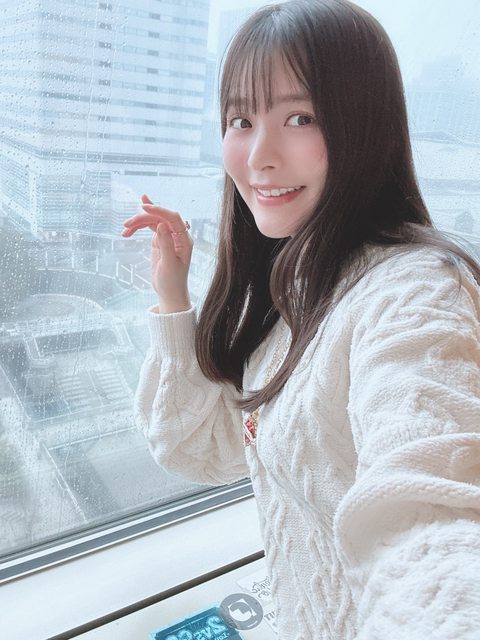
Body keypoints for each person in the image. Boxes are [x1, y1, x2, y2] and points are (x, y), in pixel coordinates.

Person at [122, 1, 480, 637]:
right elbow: (201, 449)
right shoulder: (296, 284)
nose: (258, 157)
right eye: (241, 120)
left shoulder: (415, 291)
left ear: (365, 125)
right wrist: (174, 299)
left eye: (300, 117)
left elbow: (429, 513)